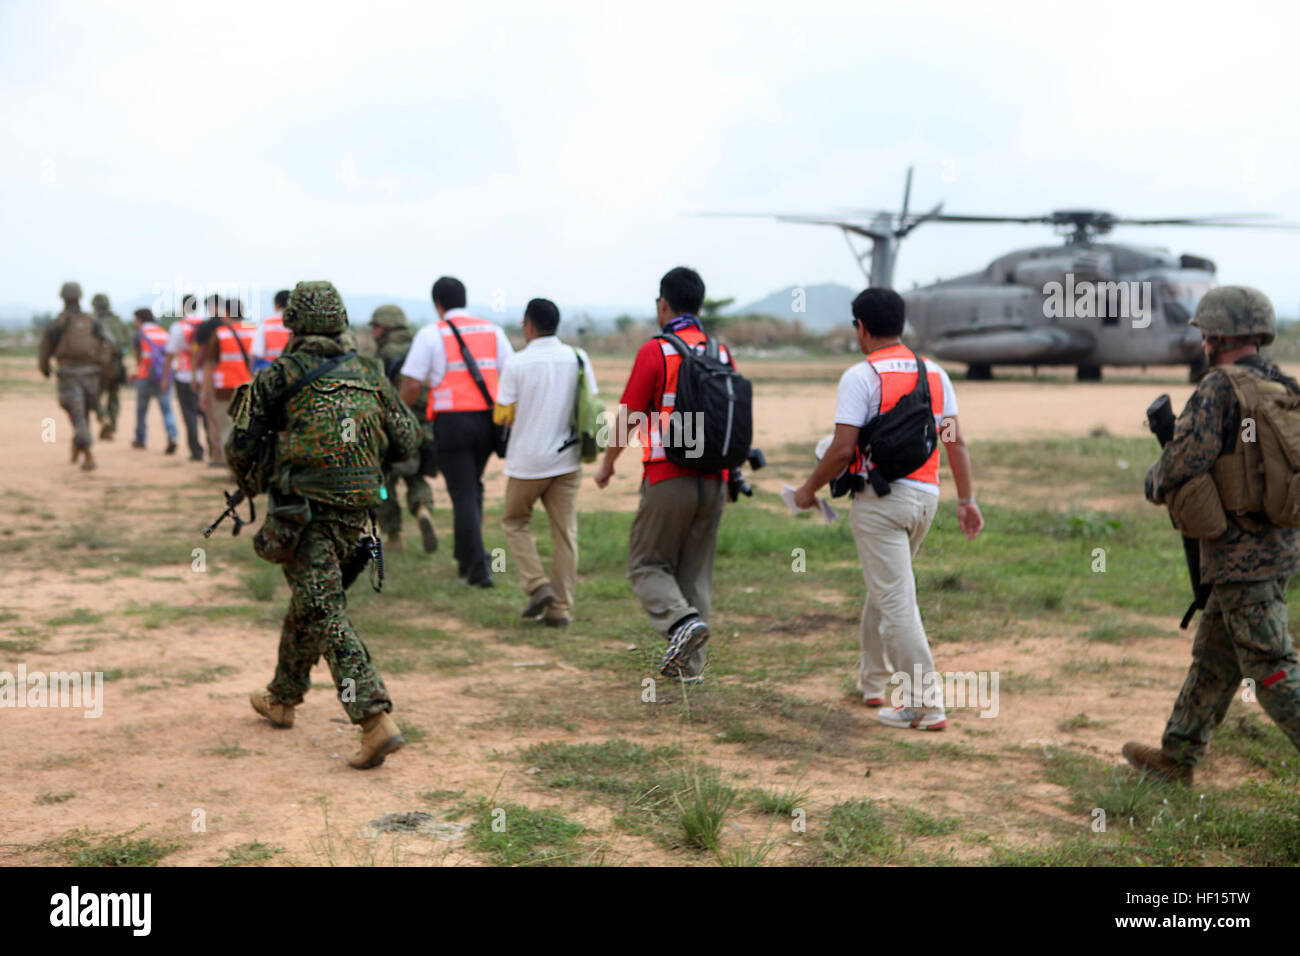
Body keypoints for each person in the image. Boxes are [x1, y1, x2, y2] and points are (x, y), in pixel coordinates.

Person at [229, 280, 421, 770]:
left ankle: (374, 719)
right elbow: (407, 439)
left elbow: (240, 446)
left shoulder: (278, 376)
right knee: (313, 599)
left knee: (323, 607)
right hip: (356, 511)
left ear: (292, 322)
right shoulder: (370, 371)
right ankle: (282, 696)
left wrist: (252, 479)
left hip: (303, 511)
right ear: (340, 322)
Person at [1129, 286, 1300, 784]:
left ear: (1218, 334)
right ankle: (1176, 757)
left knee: (1271, 670)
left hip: (1238, 553)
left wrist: (1153, 480)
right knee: (1214, 657)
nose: (1202, 339)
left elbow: (1185, 461)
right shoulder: (1283, 385)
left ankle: (1178, 757)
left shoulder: (1218, 388)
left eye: (1206, 331)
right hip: (1279, 545)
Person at [794, 288, 983, 731]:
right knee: (887, 588)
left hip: (881, 502)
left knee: (895, 599)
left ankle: (924, 704)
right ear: (901, 324)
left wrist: (807, 490)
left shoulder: (860, 376)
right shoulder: (935, 373)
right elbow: (954, 440)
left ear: (860, 327)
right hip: (926, 499)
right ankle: (873, 682)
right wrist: (967, 500)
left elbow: (842, 450)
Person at [594, 266, 732, 681]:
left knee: (647, 564)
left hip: (668, 473)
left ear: (664, 304)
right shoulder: (721, 352)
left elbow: (630, 416)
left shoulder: (656, 351)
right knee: (695, 572)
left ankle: (679, 623)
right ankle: (691, 671)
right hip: (716, 478)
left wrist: (608, 463)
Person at [399, 276, 514, 587]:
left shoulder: (431, 334)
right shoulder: (493, 330)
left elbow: (411, 384)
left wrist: (396, 412)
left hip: (452, 424)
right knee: (472, 487)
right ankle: (466, 558)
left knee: (463, 492)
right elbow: (512, 373)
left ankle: (479, 569)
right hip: (489, 423)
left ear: (438, 304)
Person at [495, 298, 597, 627]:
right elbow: (591, 402)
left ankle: (537, 584)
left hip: (526, 463)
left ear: (529, 325)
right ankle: (560, 609)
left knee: (514, 522)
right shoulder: (578, 358)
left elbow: (503, 413)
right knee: (565, 534)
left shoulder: (517, 363)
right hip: (567, 461)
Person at [369, 304, 438, 553]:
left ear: (385, 327)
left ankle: (394, 534)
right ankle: (422, 508)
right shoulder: (420, 347)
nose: (373, 332)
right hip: (422, 425)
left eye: (375, 326)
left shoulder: (384, 354)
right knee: (416, 476)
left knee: (384, 484)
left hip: (392, 427)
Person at [38, 281, 113, 471]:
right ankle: (79, 445)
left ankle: (88, 455)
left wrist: (45, 369)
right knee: (83, 413)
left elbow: (45, 350)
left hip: (69, 376)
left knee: (78, 416)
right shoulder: (92, 320)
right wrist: (102, 365)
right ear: (80, 296)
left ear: (62, 297)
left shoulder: (57, 323)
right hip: (91, 375)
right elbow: (109, 343)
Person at [198, 296, 256, 467]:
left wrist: (204, 392)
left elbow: (209, 366)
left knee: (226, 428)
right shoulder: (253, 331)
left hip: (224, 389)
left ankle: (230, 465)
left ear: (228, 313)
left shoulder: (220, 334)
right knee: (245, 427)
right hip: (249, 388)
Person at [130, 308, 179, 453]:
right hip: (164, 375)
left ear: (139, 319)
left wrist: (138, 371)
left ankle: (141, 438)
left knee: (141, 410)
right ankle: (172, 436)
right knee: (167, 409)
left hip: (145, 375)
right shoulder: (163, 332)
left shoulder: (139, 334)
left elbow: (138, 356)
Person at [166, 294, 207, 461]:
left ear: (183, 307)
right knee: (206, 414)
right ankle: (213, 447)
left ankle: (196, 451)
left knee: (189, 415)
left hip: (184, 375)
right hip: (205, 376)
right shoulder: (207, 325)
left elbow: (170, 354)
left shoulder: (178, 327)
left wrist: (165, 377)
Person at [90, 293, 130, 440]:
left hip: (100, 366)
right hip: (118, 366)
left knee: (94, 395)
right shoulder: (118, 321)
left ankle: (103, 418)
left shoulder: (95, 322)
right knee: (114, 397)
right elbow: (126, 342)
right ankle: (111, 426)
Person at [251, 289, 292, 372]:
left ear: (276, 304)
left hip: (271, 371)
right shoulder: (296, 324)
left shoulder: (266, 324)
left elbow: (257, 352)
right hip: (292, 370)